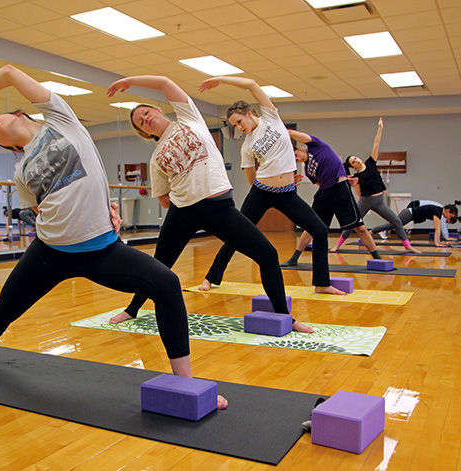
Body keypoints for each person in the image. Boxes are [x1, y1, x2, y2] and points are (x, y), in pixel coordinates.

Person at [0, 65, 227, 409]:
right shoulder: (21, 172)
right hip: (49, 251)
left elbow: (8, 71)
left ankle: (186, 382)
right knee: (5, 307)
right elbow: (40, 209)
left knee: (166, 284)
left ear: (20, 113)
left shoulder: (60, 120)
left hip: (101, 250)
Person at [106, 74, 314, 333]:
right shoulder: (156, 158)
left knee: (267, 254)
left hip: (219, 208)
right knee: (159, 265)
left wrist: (130, 82)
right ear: (145, 132)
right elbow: (163, 198)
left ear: (158, 110)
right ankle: (132, 308)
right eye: (140, 122)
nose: (146, 118)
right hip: (183, 211)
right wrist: (186, 198)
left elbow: (164, 82)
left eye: (146, 112)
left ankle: (286, 318)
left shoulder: (189, 118)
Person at [195, 76, 344, 295]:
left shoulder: (271, 117)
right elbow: (251, 175)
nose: (239, 127)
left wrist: (221, 80)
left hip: (287, 193)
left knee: (320, 230)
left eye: (239, 121)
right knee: (237, 233)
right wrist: (262, 189)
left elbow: (252, 85)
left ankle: (322, 283)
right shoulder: (247, 146)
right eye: (234, 125)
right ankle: (211, 277)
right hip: (262, 192)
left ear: (249, 113)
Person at [281, 130, 382, 266]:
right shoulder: (307, 170)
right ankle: (294, 258)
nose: (297, 159)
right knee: (311, 227)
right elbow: (319, 182)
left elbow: (294, 134)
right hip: (324, 194)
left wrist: (282, 131)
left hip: (340, 190)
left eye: (296, 155)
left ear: (299, 148)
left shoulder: (316, 146)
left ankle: (377, 258)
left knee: (360, 228)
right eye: (295, 160)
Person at [332, 118, 421, 254]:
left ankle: (408, 246)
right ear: (353, 166)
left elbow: (376, 143)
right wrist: (354, 185)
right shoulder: (357, 176)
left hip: (379, 202)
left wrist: (380, 128)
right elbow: (360, 194)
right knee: (352, 223)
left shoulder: (371, 162)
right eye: (353, 162)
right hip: (366, 201)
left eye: (355, 158)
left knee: (396, 221)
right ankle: (337, 246)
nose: (356, 160)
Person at [371, 200, 461, 247]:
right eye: (450, 216)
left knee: (393, 225)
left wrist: (439, 241)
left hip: (409, 214)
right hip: (408, 213)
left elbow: (439, 228)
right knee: (391, 225)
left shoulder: (439, 211)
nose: (447, 219)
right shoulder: (437, 211)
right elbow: (437, 228)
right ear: (447, 210)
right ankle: (371, 232)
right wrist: (437, 243)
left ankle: (371, 232)